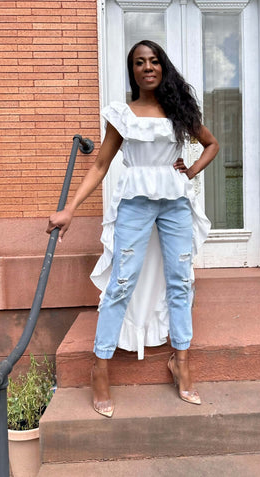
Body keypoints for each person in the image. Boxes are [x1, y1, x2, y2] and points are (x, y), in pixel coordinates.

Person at [46, 40, 219, 418]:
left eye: (154, 61)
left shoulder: (179, 111)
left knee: (181, 279)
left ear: (163, 67)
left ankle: (182, 362)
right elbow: (100, 165)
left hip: (174, 203)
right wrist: (70, 209)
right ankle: (100, 366)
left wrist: (189, 172)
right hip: (135, 203)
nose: (148, 67)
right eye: (140, 62)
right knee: (122, 281)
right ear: (133, 71)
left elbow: (211, 144)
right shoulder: (123, 114)